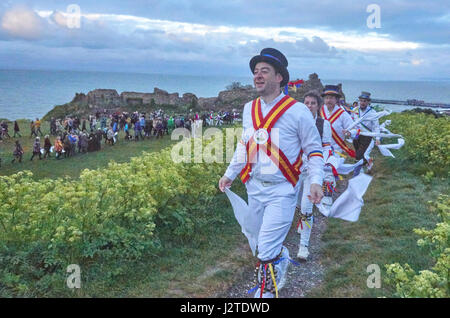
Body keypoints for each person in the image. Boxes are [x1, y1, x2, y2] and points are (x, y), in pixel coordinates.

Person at [218, 48, 324, 298]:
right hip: (253, 187)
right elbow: (245, 145)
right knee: (255, 238)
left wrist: (316, 181)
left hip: (282, 190)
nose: (258, 75)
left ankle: (264, 296)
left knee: (265, 250)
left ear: (280, 77)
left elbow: (314, 150)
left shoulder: (298, 111)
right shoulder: (248, 109)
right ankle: (282, 258)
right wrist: (229, 174)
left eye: (264, 71)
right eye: (255, 72)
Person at [295, 91, 333, 261]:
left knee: (306, 208)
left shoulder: (324, 124)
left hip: (312, 171)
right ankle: (301, 224)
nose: (309, 106)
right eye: (306, 103)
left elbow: (326, 148)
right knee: (293, 204)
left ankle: (303, 245)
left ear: (318, 106)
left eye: (312, 103)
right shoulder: (296, 122)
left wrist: (320, 167)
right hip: (295, 171)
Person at [319, 85, 357, 159]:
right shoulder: (319, 111)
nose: (328, 100)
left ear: (336, 100)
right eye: (326, 98)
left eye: (331, 98)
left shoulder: (343, 114)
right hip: (320, 148)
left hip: (335, 150)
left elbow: (355, 129)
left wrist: (349, 133)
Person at [352, 91, 381, 176]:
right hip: (356, 136)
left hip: (367, 136)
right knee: (358, 154)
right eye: (361, 100)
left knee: (359, 155)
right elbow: (352, 122)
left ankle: (356, 174)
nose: (362, 103)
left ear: (368, 102)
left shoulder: (373, 113)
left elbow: (376, 126)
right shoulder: (355, 110)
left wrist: (378, 138)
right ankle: (367, 162)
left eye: (365, 101)